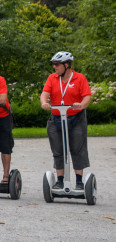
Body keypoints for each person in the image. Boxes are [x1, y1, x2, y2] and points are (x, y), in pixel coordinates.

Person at [40, 51, 91, 190]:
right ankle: (60, 180)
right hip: (56, 118)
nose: (54, 67)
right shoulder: (52, 78)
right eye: (53, 64)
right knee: (58, 150)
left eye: (57, 64)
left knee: (77, 149)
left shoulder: (79, 78)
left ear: (66, 65)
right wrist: (44, 102)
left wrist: (81, 104)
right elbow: (45, 93)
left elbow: (87, 96)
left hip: (76, 118)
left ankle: (79, 181)